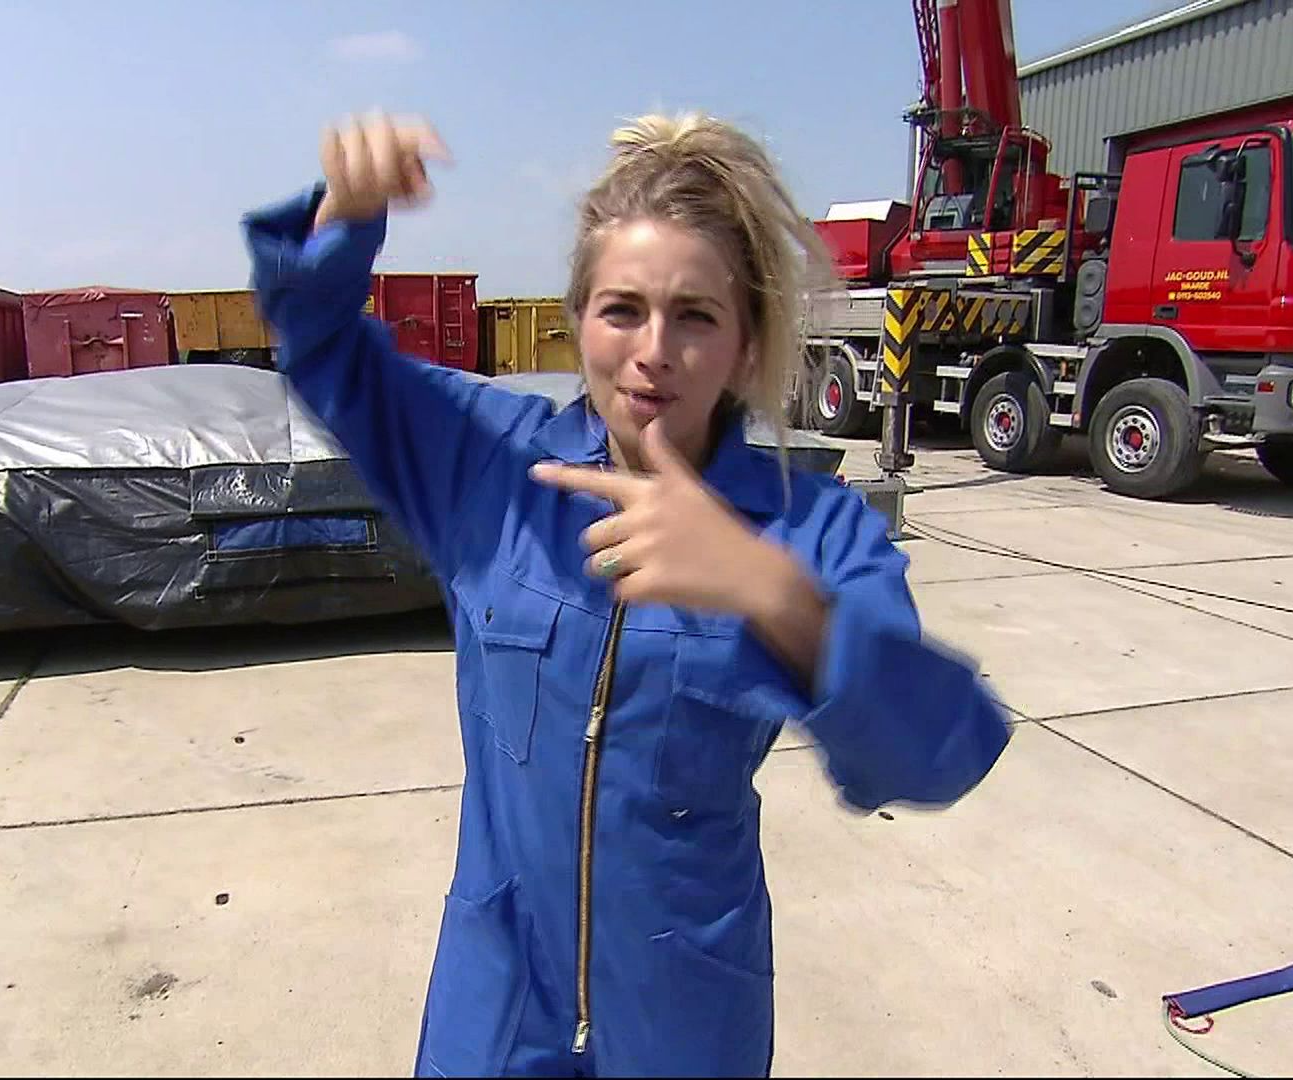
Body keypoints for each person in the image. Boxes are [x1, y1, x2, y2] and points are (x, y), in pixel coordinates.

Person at [242, 111, 1011, 1079]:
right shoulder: (486, 464)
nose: (654, 350)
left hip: (687, 1015)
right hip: (497, 1005)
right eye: (622, 310)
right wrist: (343, 220)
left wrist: (767, 589)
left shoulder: (811, 530)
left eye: (696, 316)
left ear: (744, 346)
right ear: (575, 321)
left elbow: (938, 754)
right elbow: (321, 348)